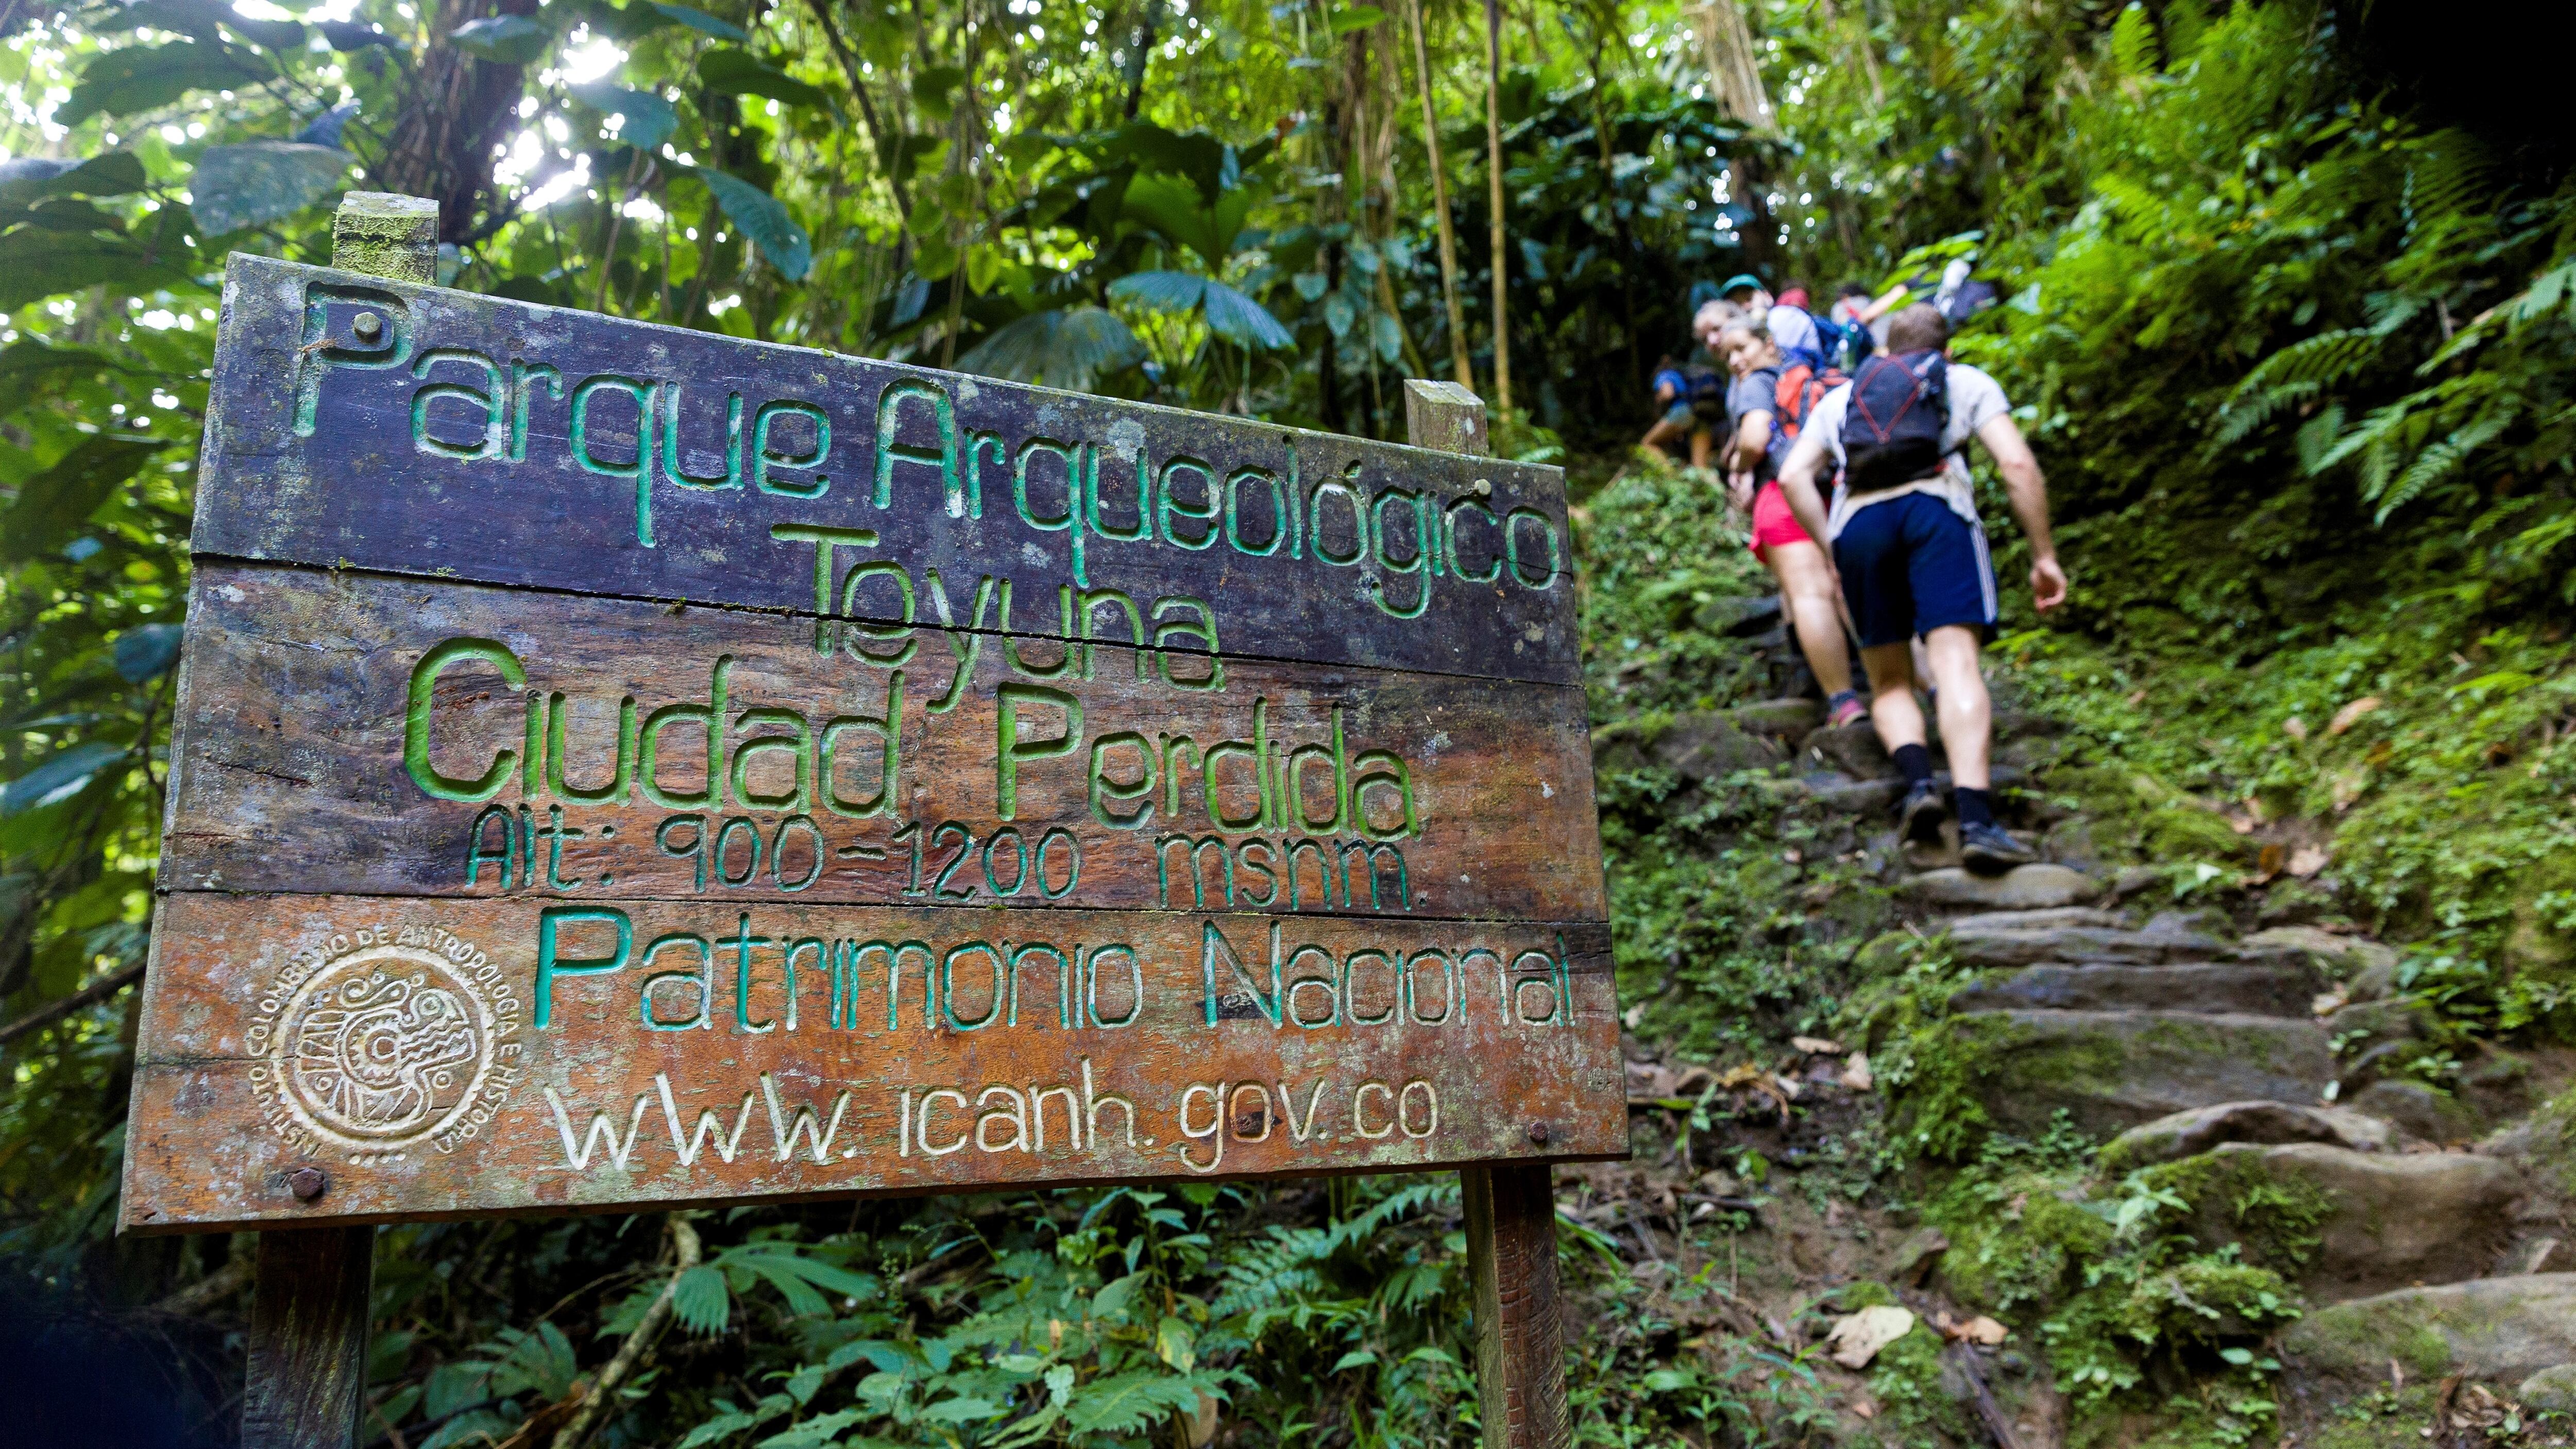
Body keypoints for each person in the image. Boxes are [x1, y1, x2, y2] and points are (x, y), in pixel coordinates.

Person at [1772, 303, 2069, 873]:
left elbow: (1790, 476)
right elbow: (2016, 466)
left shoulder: (1844, 396)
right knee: (1954, 661)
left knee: (1886, 680)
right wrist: (2043, 556)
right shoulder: (1961, 381)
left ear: (1884, 352)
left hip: (1858, 526)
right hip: (1936, 511)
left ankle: (1917, 787)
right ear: (1946, 349)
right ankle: (1978, 822)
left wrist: (1834, 547)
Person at [1716, 319, 1867, 727]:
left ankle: (1844, 700)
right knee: (1846, 585)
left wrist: (1738, 466)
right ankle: (1900, 679)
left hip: (1784, 496)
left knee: (1811, 595)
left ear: (1768, 344)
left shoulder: (1757, 383)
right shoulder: (1816, 380)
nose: (1735, 360)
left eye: (1741, 347)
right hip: (1833, 492)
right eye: (1728, 354)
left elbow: (1753, 439)